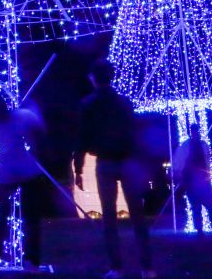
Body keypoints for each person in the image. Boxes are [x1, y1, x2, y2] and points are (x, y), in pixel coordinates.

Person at [73, 59, 155, 279]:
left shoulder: (88, 104)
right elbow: (134, 132)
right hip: (127, 160)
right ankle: (147, 268)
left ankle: (116, 267)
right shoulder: (124, 103)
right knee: (137, 215)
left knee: (109, 217)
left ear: (93, 78)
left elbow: (81, 137)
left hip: (106, 161)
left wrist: (79, 168)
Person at [0, 93, 48, 273]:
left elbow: (36, 131)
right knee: (27, 217)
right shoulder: (21, 117)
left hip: (12, 173)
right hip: (22, 171)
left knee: (6, 217)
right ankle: (30, 261)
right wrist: (33, 108)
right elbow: (39, 129)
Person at [174, 134, 212, 234]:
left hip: (203, 180)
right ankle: (200, 230)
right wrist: (179, 173)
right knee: (196, 207)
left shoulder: (203, 144)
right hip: (191, 181)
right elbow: (180, 160)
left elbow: (208, 159)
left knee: (209, 206)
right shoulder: (186, 145)